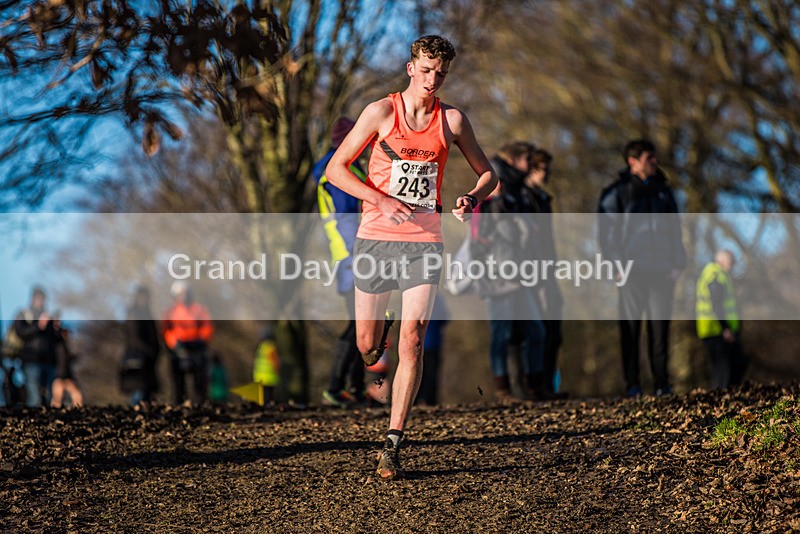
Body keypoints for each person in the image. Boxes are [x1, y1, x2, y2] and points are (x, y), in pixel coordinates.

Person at [325, 35, 497, 479]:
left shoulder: (453, 121)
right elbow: (335, 170)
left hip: (425, 238)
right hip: (376, 237)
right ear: (410, 68)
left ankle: (393, 442)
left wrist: (471, 199)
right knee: (367, 345)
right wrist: (379, 200)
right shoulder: (381, 112)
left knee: (414, 338)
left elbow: (488, 174)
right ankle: (372, 349)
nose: (432, 79)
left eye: (440, 73)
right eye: (425, 70)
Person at [598, 139, 686, 397]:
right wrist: (615, 265)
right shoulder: (616, 192)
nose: (655, 162)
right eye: (649, 158)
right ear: (632, 161)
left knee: (660, 330)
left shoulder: (663, 191)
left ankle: (662, 384)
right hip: (631, 273)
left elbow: (675, 230)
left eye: (655, 157)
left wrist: (678, 264)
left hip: (662, 272)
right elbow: (607, 233)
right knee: (630, 330)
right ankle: (632, 385)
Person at [477, 141, 546, 403]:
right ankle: (503, 390)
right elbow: (483, 232)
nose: (530, 166)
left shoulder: (518, 190)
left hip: (521, 273)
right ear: (516, 160)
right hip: (498, 273)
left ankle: (534, 387)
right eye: (527, 159)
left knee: (536, 331)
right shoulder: (497, 184)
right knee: (501, 334)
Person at [314, 117, 369, 408]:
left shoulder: (331, 168)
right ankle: (337, 388)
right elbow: (347, 220)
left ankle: (354, 389)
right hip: (352, 256)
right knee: (360, 323)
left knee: (362, 321)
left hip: (345, 256)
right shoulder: (342, 171)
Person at [523, 149, 567, 399]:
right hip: (528, 273)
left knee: (553, 332)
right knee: (533, 332)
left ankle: (547, 385)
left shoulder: (544, 200)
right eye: (543, 168)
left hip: (548, 272)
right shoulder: (521, 199)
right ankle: (534, 386)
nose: (547, 173)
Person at [696, 249, 747, 388]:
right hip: (715, 329)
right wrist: (725, 328)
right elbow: (717, 304)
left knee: (734, 363)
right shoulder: (715, 275)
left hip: (718, 329)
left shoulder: (719, 275)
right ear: (723, 260)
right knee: (724, 368)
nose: (733, 265)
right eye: (732, 261)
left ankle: (727, 396)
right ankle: (722, 399)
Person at [162, 281, 214, 404]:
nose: (183, 296)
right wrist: (175, 344)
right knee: (178, 383)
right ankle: (179, 406)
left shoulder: (199, 310)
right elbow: (166, 330)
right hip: (178, 350)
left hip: (197, 349)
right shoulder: (170, 312)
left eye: (185, 292)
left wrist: (201, 340)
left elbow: (207, 326)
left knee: (200, 382)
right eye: (180, 293)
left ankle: (201, 405)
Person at [13, 286, 57, 407]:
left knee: (48, 397)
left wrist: (57, 329)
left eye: (43, 299)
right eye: (39, 299)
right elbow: (20, 332)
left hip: (48, 361)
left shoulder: (48, 317)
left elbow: (53, 339)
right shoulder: (23, 314)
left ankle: (47, 423)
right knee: (34, 397)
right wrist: (38, 326)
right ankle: (33, 423)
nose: (42, 302)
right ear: (33, 299)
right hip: (30, 361)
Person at [120, 286, 161, 406]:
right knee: (138, 393)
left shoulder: (146, 313)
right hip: (138, 359)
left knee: (146, 393)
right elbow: (134, 338)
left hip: (147, 359)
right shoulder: (134, 313)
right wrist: (149, 350)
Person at [416, 297, 449, 406]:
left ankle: (416, 400)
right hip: (432, 343)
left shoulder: (414, 295)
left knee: (418, 373)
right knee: (431, 374)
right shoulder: (437, 299)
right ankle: (430, 401)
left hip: (423, 343)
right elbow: (445, 318)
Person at [50, 314, 84, 408]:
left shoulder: (62, 342)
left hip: (66, 374)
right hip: (58, 374)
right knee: (58, 398)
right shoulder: (54, 338)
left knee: (77, 396)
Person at [253, 326, 281, 405]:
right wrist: (278, 369)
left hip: (259, 377)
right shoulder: (270, 346)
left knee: (264, 397)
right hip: (269, 377)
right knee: (269, 396)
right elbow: (274, 360)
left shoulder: (261, 346)